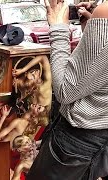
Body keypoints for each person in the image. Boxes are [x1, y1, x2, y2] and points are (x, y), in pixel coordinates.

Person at [26, 0, 108, 179]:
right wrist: (92, 27)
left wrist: (58, 28)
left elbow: (65, 90)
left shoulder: (106, 11)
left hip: (80, 139)